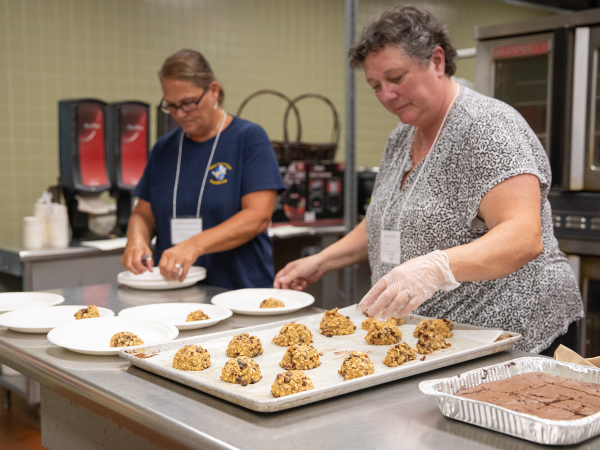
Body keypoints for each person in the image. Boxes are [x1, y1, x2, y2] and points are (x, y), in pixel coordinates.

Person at [274, 5, 583, 353]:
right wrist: (322, 260)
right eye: (375, 85)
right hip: (431, 337)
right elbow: (388, 219)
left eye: (396, 78)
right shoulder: (403, 136)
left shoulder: (487, 128)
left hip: (505, 335)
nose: (386, 96)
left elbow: (523, 238)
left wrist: (436, 267)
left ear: (436, 61)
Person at [121, 49, 285, 290]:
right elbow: (143, 214)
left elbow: (258, 216)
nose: (180, 114)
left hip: (237, 291)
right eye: (172, 106)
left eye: (188, 103)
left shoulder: (248, 139)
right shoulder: (164, 149)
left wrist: (194, 245)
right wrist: (136, 239)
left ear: (213, 91)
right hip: (175, 292)